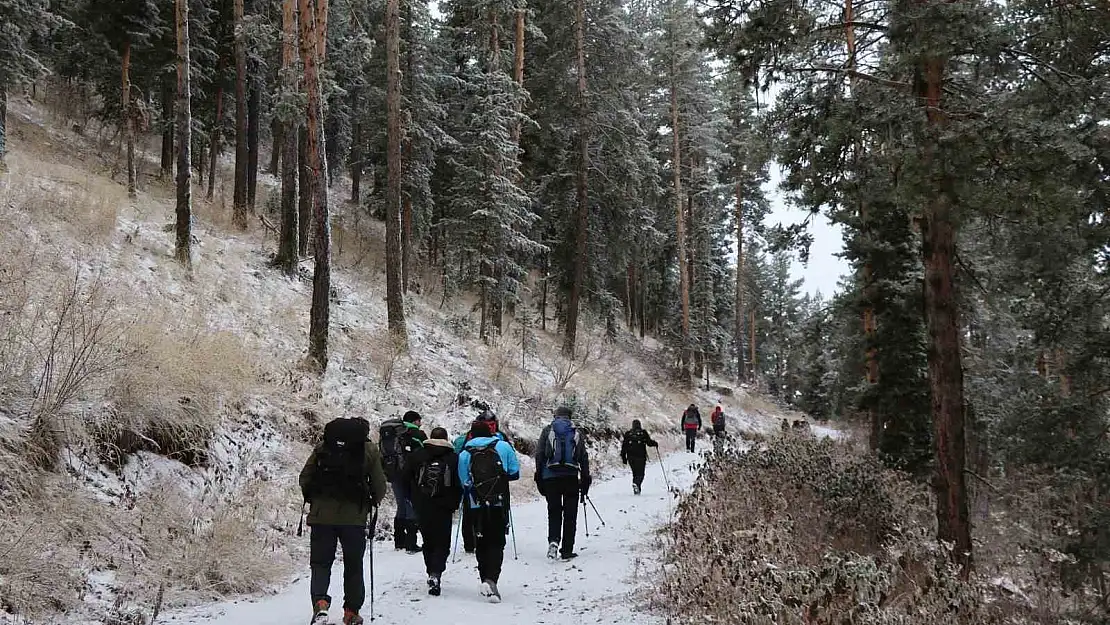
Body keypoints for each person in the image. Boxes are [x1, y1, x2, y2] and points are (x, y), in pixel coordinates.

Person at [299, 417, 387, 625]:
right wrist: (372, 501)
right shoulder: (369, 450)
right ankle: (351, 612)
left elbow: (305, 477)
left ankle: (320, 604)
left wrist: (316, 499)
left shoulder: (323, 446)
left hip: (321, 517)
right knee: (354, 564)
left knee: (320, 563)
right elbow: (379, 485)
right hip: (354, 518)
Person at [458, 420, 520, 603]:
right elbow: (515, 473)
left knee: (481, 541)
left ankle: (485, 576)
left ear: (472, 434)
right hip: (499, 502)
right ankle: (491, 579)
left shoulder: (464, 453)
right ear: (490, 432)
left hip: (475, 504)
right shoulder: (503, 446)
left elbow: (464, 482)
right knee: (497, 541)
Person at [403, 427, 462, 597]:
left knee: (428, 540)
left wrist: (412, 499)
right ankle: (436, 573)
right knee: (442, 542)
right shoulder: (453, 458)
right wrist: (455, 502)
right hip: (444, 506)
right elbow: (459, 483)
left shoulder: (418, 455)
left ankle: (430, 572)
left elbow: (405, 478)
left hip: (422, 504)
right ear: (446, 439)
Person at [534, 406, 591, 561]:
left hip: (550, 477)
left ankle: (553, 541)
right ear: (570, 417)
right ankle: (566, 549)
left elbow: (539, 454)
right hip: (571, 477)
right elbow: (583, 457)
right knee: (570, 514)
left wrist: (538, 476)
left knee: (554, 511)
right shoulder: (576, 432)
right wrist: (585, 479)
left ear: (555, 416)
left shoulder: (547, 430)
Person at [452, 410, 510, 554]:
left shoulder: (463, 440)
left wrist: (463, 482)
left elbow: (457, 459)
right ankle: (497, 538)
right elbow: (511, 466)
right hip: (497, 484)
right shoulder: (501, 440)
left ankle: (470, 544)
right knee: (499, 508)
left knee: (469, 512)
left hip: (472, 484)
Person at [380, 410, 427, 553]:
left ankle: (399, 541)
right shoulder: (417, 434)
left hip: (394, 473)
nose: (420, 424)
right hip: (411, 475)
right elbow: (425, 453)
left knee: (401, 505)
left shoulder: (390, 435)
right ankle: (411, 543)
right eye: (419, 421)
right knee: (411, 505)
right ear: (414, 421)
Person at [620, 419, 658, 495]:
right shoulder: (643, 433)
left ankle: (637, 488)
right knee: (641, 474)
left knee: (635, 473)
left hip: (630, 457)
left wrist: (624, 458)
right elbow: (649, 443)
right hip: (640, 456)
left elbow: (624, 446)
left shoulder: (628, 434)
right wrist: (655, 443)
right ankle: (636, 484)